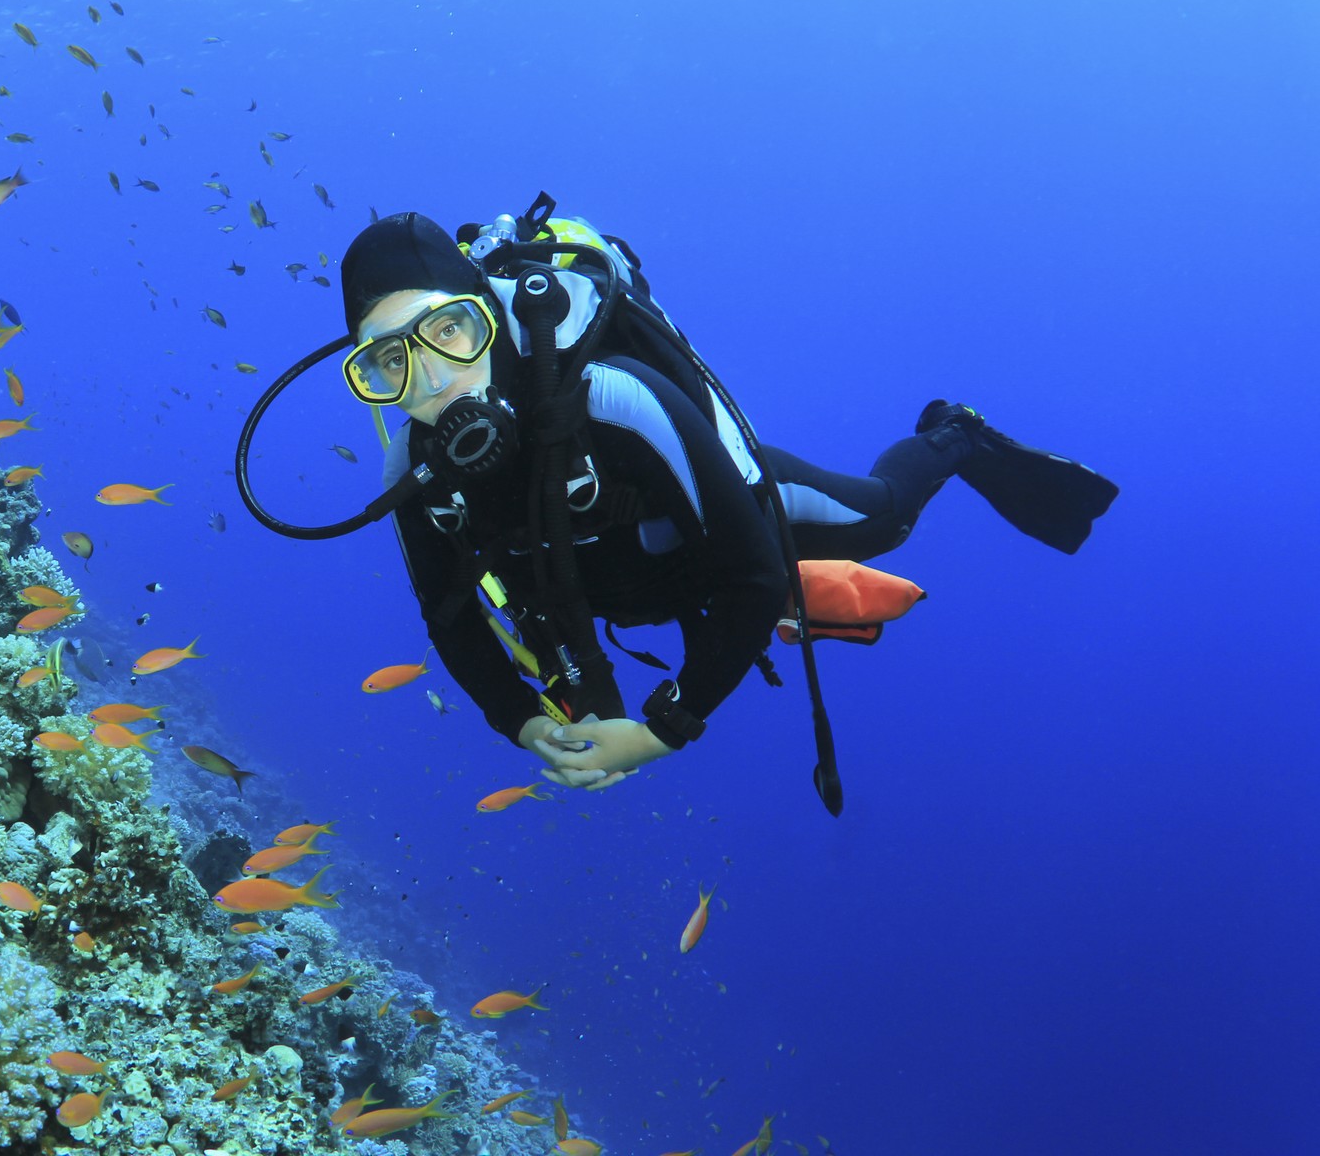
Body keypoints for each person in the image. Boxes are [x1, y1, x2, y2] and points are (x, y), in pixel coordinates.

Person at [300, 206, 1116, 806]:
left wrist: (664, 729)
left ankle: (955, 436)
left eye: (450, 330)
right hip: (616, 582)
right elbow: (449, 615)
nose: (435, 378)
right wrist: (518, 718)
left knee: (883, 521)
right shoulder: (413, 458)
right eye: (388, 364)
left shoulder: (612, 397)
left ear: (488, 316)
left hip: (719, 537)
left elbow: (755, 573)